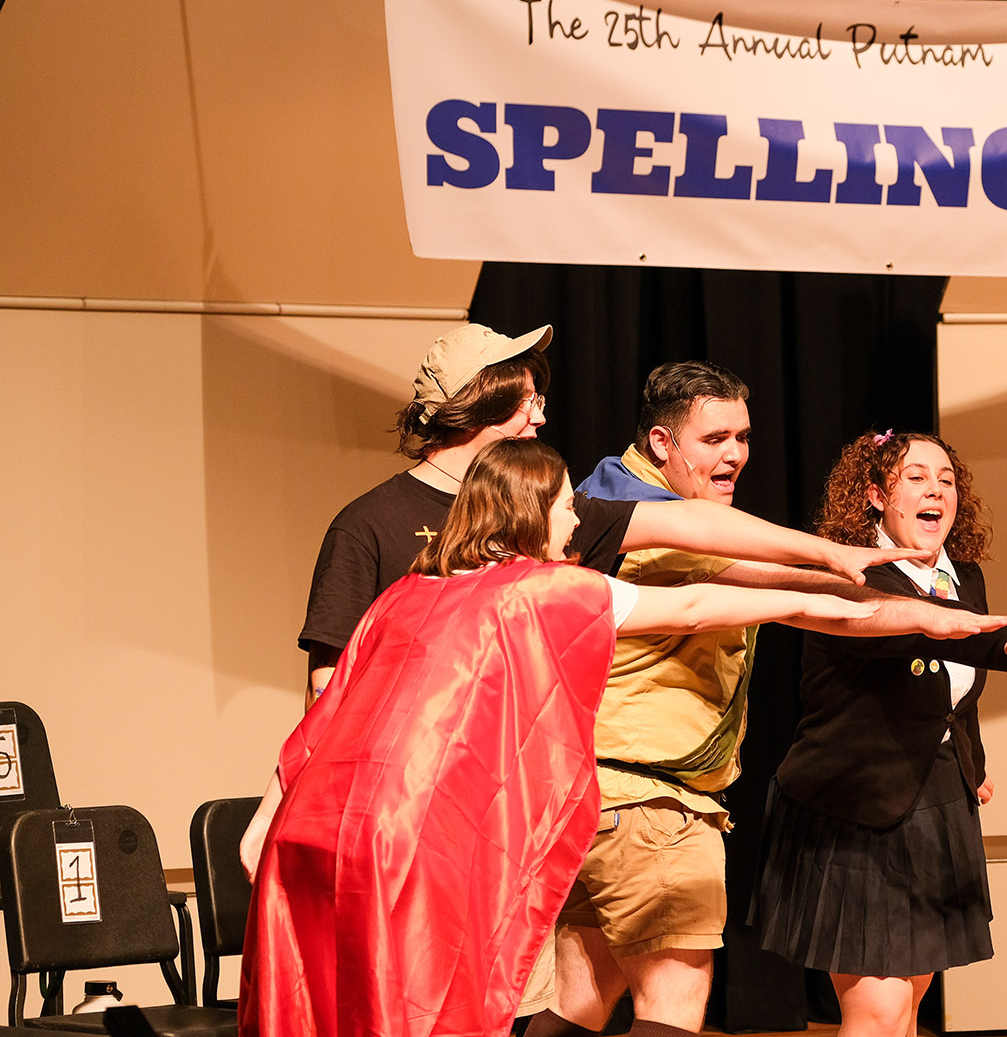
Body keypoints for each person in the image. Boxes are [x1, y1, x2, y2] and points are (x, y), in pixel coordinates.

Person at [236, 439, 909, 1037]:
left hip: (316, 831)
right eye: (564, 505)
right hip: (414, 841)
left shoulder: (406, 593)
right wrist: (820, 603)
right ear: (530, 513)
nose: (575, 520)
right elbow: (700, 605)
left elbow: (331, 710)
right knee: (432, 1007)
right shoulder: (548, 589)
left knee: (331, 1007)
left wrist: (266, 816)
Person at [532, 367, 1007, 1037]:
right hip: (650, 797)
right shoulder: (653, 520)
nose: (734, 453)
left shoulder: (606, 494)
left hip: (597, 794)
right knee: (676, 993)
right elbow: (789, 597)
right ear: (661, 442)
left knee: (584, 989)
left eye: (743, 436)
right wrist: (904, 604)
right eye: (714, 438)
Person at [295, 324, 910, 709]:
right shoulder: (370, 523)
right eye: (524, 402)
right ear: (474, 407)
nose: (540, 417)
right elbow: (329, 683)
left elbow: (690, 526)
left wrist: (827, 553)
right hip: (406, 791)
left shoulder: (544, 515)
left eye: (541, 399)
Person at [749, 431, 1007, 1037]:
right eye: (916, 477)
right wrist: (997, 643)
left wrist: (970, 765)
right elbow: (909, 631)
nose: (936, 491)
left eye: (947, 480)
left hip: (935, 799)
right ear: (875, 495)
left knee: (908, 1001)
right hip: (855, 805)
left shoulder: (962, 574)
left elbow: (954, 693)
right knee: (876, 1007)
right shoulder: (845, 574)